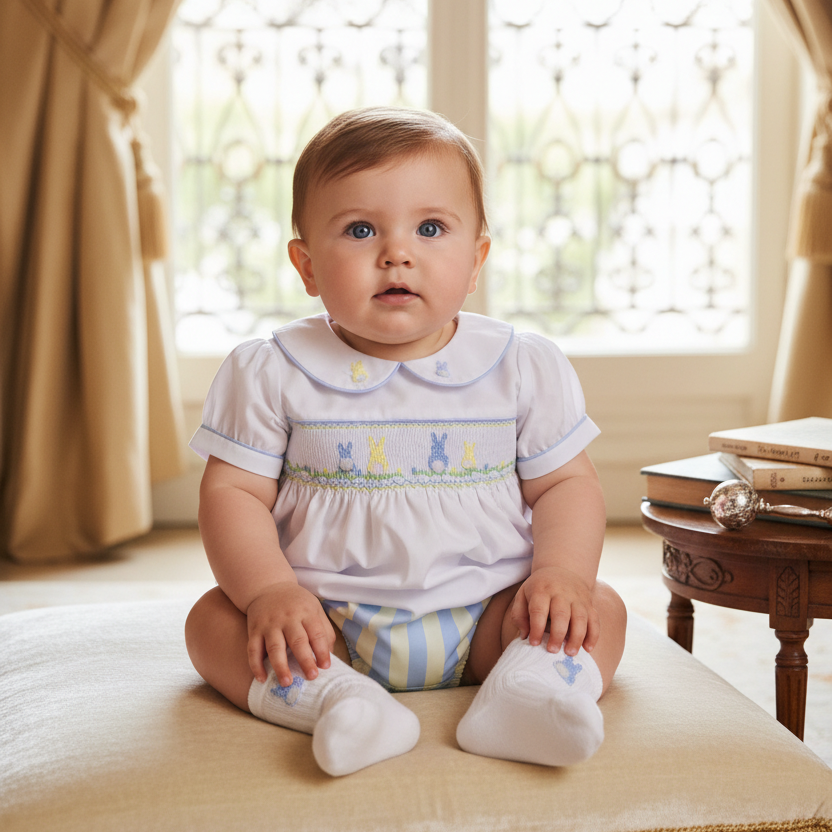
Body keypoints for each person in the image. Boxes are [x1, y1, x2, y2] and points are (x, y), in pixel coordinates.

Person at [185, 106, 627, 778]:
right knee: (211, 623)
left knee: (601, 608)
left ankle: (527, 691)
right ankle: (339, 699)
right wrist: (270, 591)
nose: (397, 252)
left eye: (431, 228)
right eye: (360, 229)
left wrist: (560, 574)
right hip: (322, 622)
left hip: (488, 615)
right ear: (305, 265)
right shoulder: (270, 369)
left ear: (476, 259)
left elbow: (566, 484)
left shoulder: (519, 365)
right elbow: (232, 492)